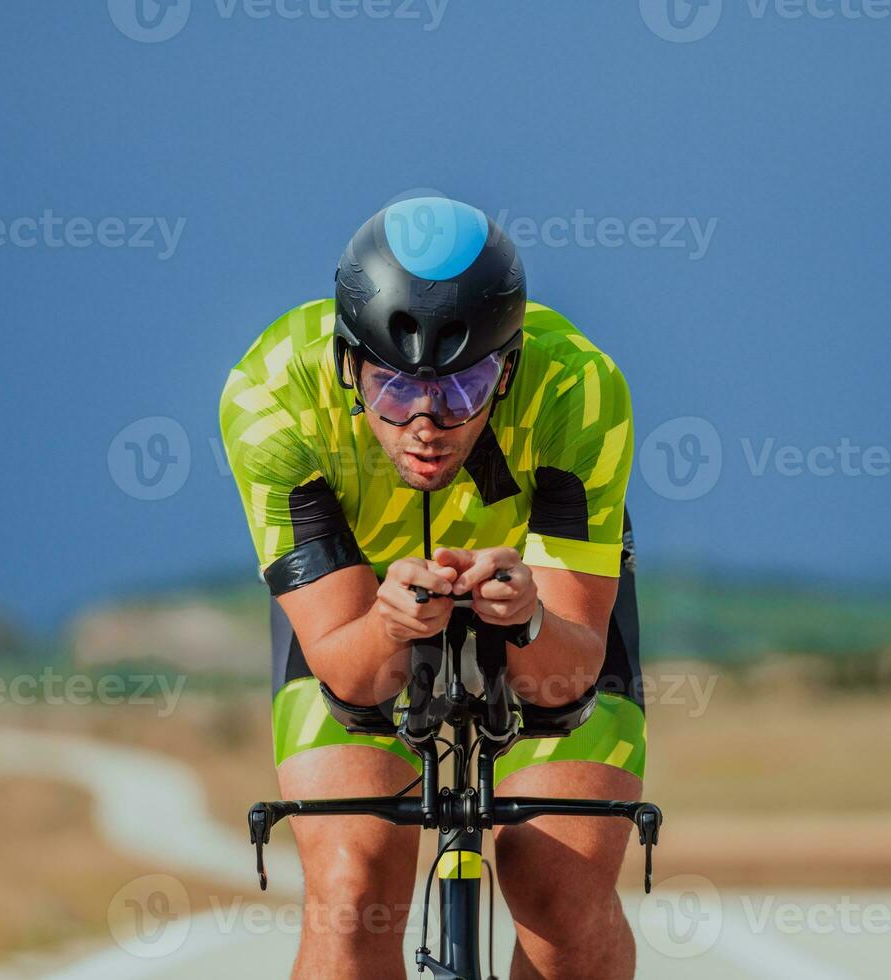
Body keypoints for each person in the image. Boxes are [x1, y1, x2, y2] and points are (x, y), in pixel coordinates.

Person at [220, 196, 644, 979]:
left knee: (561, 895)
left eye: (462, 390)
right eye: (391, 390)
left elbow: (568, 678)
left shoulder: (579, 388)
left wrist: (527, 621)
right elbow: (349, 676)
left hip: (540, 600)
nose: (425, 421)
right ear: (348, 363)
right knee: (351, 897)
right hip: (360, 607)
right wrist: (384, 627)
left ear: (509, 368)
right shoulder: (271, 396)